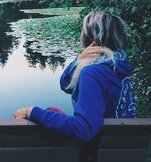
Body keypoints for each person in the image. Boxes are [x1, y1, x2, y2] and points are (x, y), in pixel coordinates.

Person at [14, 10, 137, 141]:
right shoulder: (120, 66)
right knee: (52, 111)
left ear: (91, 39)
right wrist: (78, 60)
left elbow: (84, 129)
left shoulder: (93, 74)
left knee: (43, 117)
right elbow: (66, 85)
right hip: (120, 147)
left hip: (97, 152)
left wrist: (32, 111)